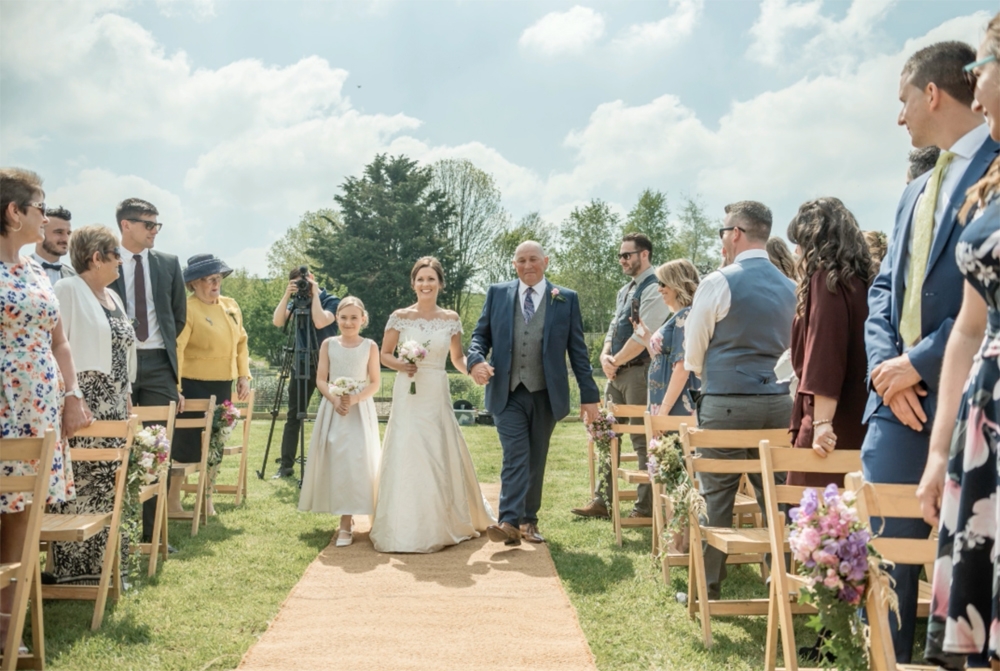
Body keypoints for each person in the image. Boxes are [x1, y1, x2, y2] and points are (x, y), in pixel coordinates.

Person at [863, 40, 1000, 663]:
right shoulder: (915, 189)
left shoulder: (996, 167)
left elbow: (981, 302)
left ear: (933, 94)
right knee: (887, 561)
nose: (899, 117)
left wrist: (915, 366)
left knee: (963, 568)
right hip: (897, 411)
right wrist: (884, 368)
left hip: (967, 396)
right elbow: (886, 285)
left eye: (902, 100)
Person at [917, 16, 1000, 668]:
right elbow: (970, 327)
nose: (975, 82)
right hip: (983, 430)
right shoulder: (988, 187)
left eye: (985, 65)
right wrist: (941, 448)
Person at [684, 200, 796, 600]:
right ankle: (780, 581)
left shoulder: (719, 282)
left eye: (722, 232)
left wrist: (708, 372)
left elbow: (693, 350)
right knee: (777, 494)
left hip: (727, 401)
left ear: (735, 233)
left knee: (716, 493)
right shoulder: (792, 287)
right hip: (780, 405)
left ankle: (708, 588)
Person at [0, 167, 88, 648]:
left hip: (38, 410)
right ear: (14, 213)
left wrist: (71, 396)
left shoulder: (36, 270)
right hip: (2, 406)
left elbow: (61, 343)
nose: (46, 214)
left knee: (22, 511)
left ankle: (7, 628)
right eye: (39, 206)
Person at [468, 241, 600, 546]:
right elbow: (479, 335)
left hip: (546, 393)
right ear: (514, 264)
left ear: (546, 261)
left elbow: (578, 352)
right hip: (507, 391)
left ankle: (529, 521)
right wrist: (476, 360)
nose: (528, 266)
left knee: (536, 457)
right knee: (516, 453)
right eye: (521, 261)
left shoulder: (565, 299)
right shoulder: (497, 293)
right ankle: (509, 521)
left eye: (533, 260)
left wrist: (589, 396)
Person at [370, 257, 495, 553]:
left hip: (436, 391)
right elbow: (384, 353)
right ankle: (403, 524)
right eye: (420, 279)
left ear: (440, 283)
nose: (425, 284)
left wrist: (475, 370)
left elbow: (457, 358)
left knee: (437, 449)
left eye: (431, 279)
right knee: (409, 447)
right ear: (413, 283)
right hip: (408, 391)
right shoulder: (400, 316)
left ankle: (443, 520)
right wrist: (402, 365)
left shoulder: (450, 318)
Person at [48, 225, 137, 585]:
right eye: (116, 254)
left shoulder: (113, 297)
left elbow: (124, 354)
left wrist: (128, 398)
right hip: (85, 401)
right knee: (87, 483)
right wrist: (72, 398)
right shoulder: (68, 289)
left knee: (114, 482)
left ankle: (113, 564)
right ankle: (76, 571)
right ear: (96, 257)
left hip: (115, 400)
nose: (121, 262)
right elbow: (56, 347)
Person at [572, 233, 669, 520]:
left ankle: (644, 507)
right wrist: (604, 355)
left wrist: (614, 360)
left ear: (645, 254)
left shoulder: (656, 287)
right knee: (605, 434)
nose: (623, 260)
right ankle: (602, 500)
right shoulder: (624, 290)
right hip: (616, 374)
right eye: (620, 255)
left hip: (640, 373)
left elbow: (643, 336)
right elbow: (615, 329)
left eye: (628, 254)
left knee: (642, 439)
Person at [108, 197, 185, 547]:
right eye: (148, 224)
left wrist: (158, 345)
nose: (155, 231)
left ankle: (152, 536)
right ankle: (114, 533)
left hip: (158, 364)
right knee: (116, 444)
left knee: (157, 448)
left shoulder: (168, 264)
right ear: (127, 225)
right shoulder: (104, 260)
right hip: (116, 364)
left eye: (158, 225)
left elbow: (177, 316)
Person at [783, 199, 872, 491]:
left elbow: (826, 352)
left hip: (830, 419)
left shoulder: (827, 281)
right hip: (863, 417)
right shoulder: (865, 281)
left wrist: (822, 423)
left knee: (812, 520)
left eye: (799, 243)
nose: (796, 252)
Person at [171, 254, 251, 516]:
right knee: (186, 445)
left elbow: (241, 342)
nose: (216, 284)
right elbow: (178, 347)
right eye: (209, 280)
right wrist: (177, 387)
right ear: (194, 283)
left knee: (215, 443)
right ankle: (173, 502)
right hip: (193, 386)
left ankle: (206, 499)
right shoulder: (188, 307)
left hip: (222, 385)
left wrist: (243, 376)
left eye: (218, 278)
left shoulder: (231, 305)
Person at [298, 297, 380, 548]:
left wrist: (353, 399)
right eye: (343, 317)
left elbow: (375, 382)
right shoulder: (328, 344)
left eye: (354, 317)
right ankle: (343, 517)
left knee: (358, 460)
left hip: (359, 409)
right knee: (338, 459)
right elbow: (321, 378)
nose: (348, 322)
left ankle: (351, 517)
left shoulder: (370, 346)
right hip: (333, 409)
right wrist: (335, 399)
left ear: (363, 320)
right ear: (337, 319)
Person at [271, 266, 339, 479]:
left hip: (327, 365)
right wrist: (287, 295)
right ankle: (286, 465)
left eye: (305, 281)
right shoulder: (296, 301)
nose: (303, 286)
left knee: (331, 414)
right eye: (297, 282)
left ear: (312, 278)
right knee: (293, 416)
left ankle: (331, 464)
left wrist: (315, 293)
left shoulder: (331, 300)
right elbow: (278, 321)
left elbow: (320, 322)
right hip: (301, 364)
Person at [638, 259, 700, 417]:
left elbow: (682, 367)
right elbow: (663, 361)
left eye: (663, 284)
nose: (659, 289)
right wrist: (646, 337)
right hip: (662, 399)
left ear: (677, 284)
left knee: (673, 441)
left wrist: (663, 412)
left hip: (675, 405)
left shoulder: (685, 316)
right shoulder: (678, 317)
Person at [32, 205, 74, 286]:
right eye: (59, 232)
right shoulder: (17, 269)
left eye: (68, 233)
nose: (66, 239)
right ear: (39, 232)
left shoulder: (75, 278)